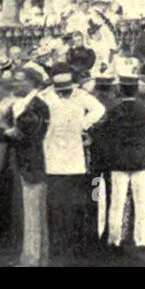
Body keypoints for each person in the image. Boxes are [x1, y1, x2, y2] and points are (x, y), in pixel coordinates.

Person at [42, 65, 105, 260]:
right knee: (55, 206)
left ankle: (72, 247)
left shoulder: (80, 96)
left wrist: (83, 125)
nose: (65, 93)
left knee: (73, 206)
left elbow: (99, 109)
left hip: (74, 161)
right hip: (52, 160)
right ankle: (57, 247)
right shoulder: (45, 97)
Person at [0, 62, 51, 266]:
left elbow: (30, 135)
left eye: (18, 81)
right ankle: (34, 257)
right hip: (22, 162)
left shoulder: (38, 105)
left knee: (33, 213)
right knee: (30, 212)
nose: (14, 85)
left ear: (32, 83)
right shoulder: (22, 104)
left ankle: (31, 259)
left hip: (32, 163)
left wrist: (6, 132)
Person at [94, 73, 145, 251]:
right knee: (140, 202)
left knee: (117, 202)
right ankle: (141, 240)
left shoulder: (114, 110)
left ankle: (114, 239)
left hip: (119, 162)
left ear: (121, 89)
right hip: (140, 162)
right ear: (136, 89)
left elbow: (106, 136)